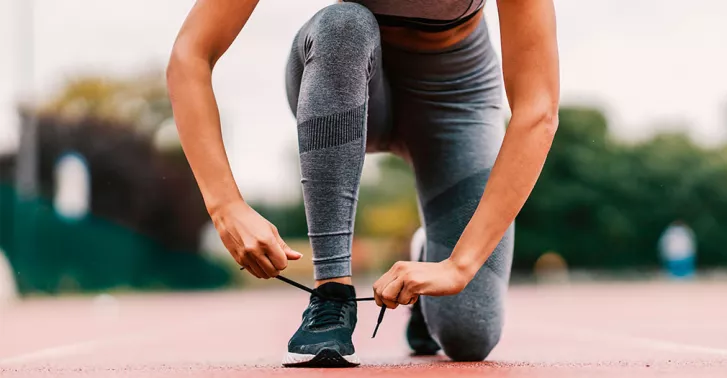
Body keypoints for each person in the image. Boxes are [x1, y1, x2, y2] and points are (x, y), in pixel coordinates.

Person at [167, 0, 559, 367]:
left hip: (457, 97)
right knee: (345, 24)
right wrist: (225, 205)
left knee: (469, 335)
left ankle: (429, 255)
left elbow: (538, 108)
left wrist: (460, 264)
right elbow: (190, 55)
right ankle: (330, 296)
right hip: (346, 75)